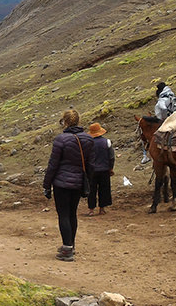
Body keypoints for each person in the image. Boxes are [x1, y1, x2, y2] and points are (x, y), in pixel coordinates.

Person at [43, 110, 93, 262]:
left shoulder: (61, 140)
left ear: (64, 121)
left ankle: (67, 249)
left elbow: (53, 164)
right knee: (72, 213)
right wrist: (87, 182)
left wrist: (47, 184)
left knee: (63, 214)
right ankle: (71, 245)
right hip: (78, 182)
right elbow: (90, 164)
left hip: (61, 183)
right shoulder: (88, 139)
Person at [86, 123, 114, 216]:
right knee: (104, 189)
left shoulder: (88, 143)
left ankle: (91, 210)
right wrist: (111, 168)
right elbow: (111, 157)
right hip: (104, 169)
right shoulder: (107, 142)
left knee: (91, 190)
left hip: (92, 171)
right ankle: (102, 209)